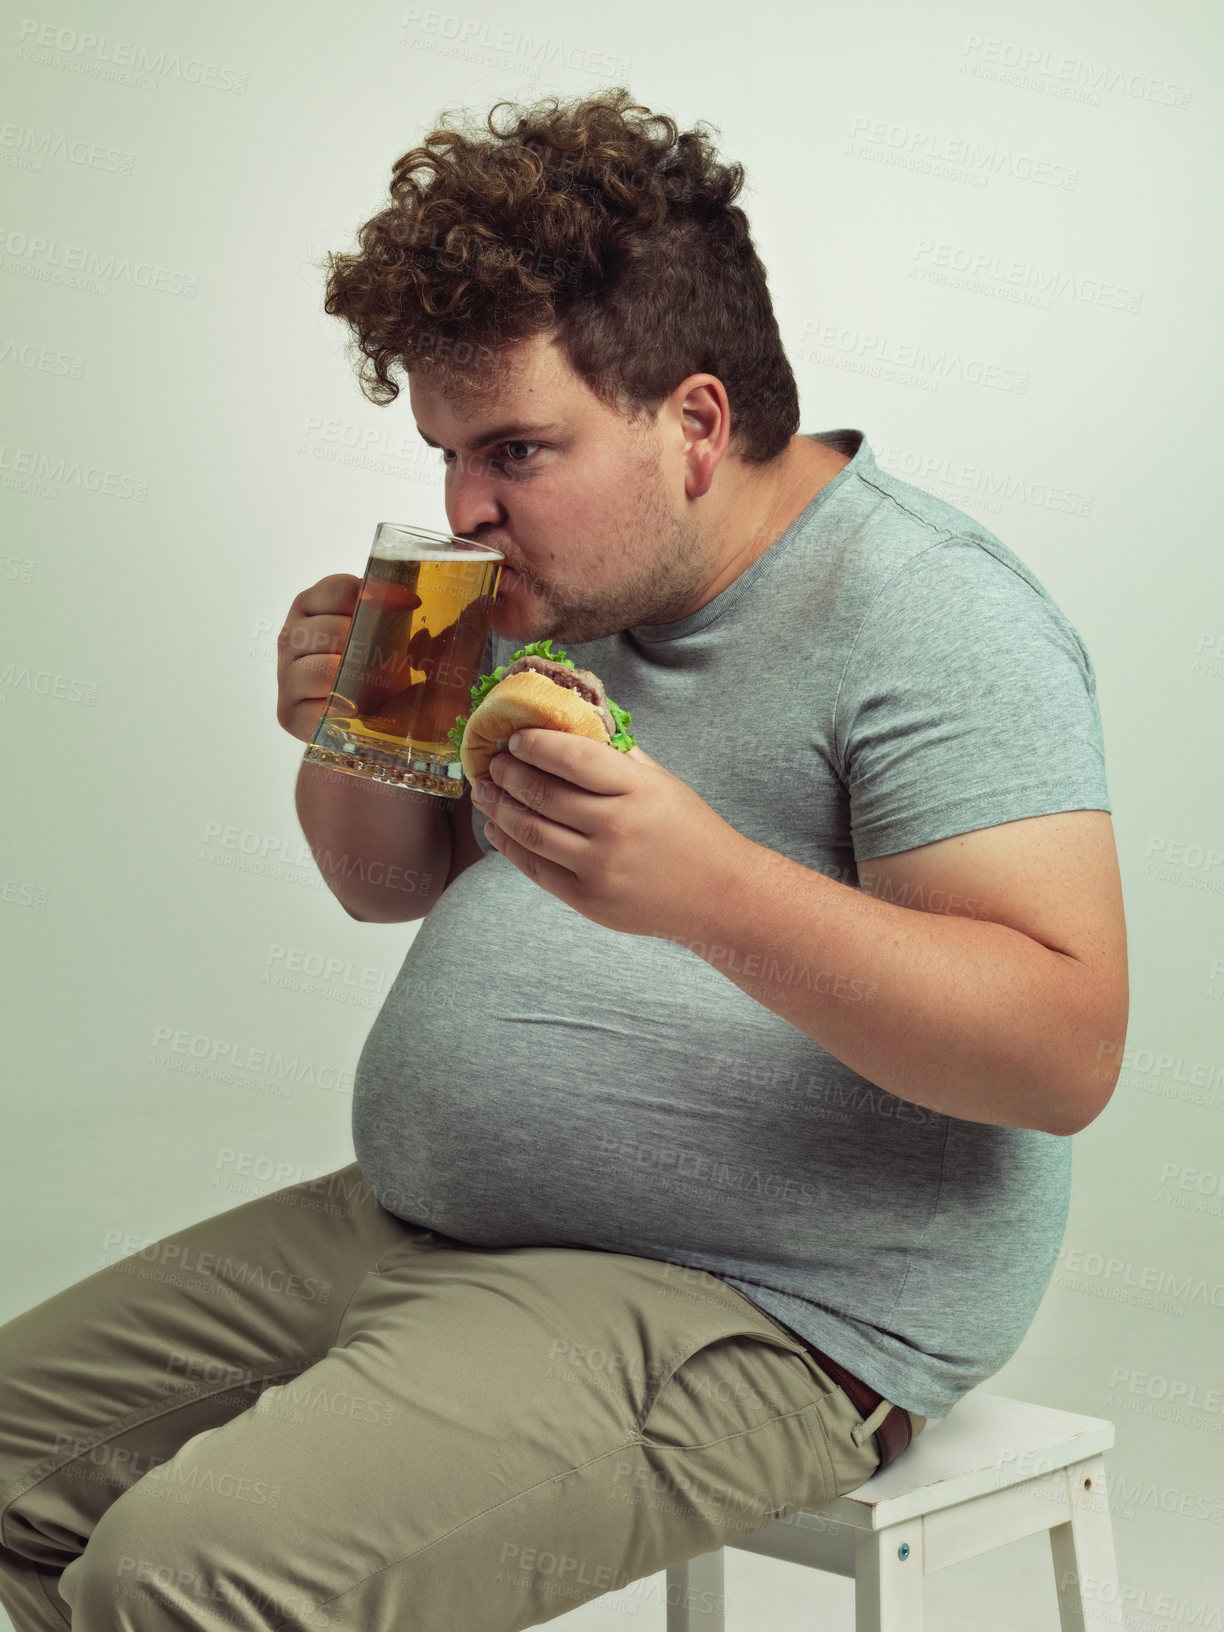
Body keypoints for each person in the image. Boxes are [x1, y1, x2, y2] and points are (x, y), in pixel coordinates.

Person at [0, 89, 1128, 1630]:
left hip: (760, 1304)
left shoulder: (939, 615)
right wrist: (353, 727)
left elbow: (1062, 1054)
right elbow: (384, 884)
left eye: (517, 449)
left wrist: (710, 891)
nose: (466, 507)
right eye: (450, 451)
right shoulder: (540, 582)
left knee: (185, 1573)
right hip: (414, 1226)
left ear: (697, 424)